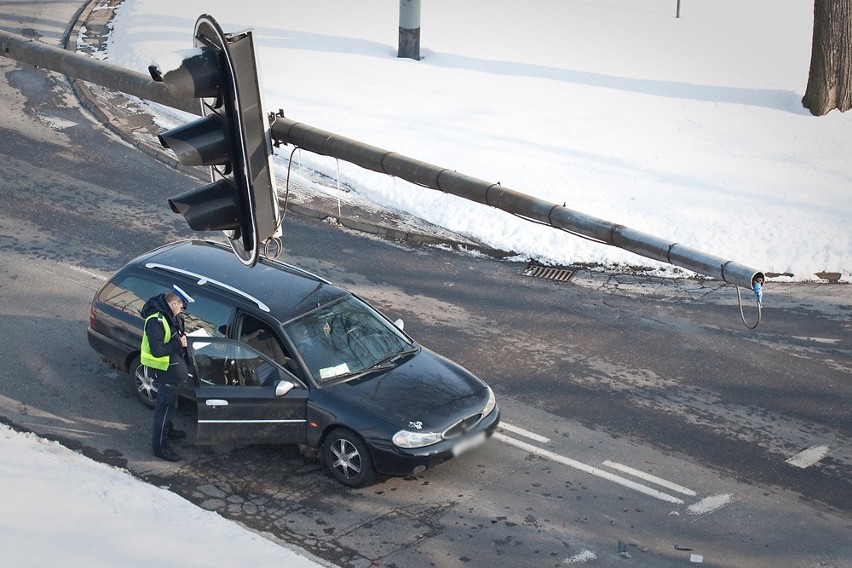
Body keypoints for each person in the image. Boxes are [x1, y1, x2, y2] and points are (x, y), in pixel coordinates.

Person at [140, 285, 194, 461]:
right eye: (181, 306)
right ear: (173, 302)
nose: (181, 310)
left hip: (172, 370)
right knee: (164, 409)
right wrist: (179, 343)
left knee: (171, 405)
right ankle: (160, 446)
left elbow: (173, 335)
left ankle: (168, 430)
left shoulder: (170, 316)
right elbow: (157, 350)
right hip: (164, 371)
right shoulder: (156, 321)